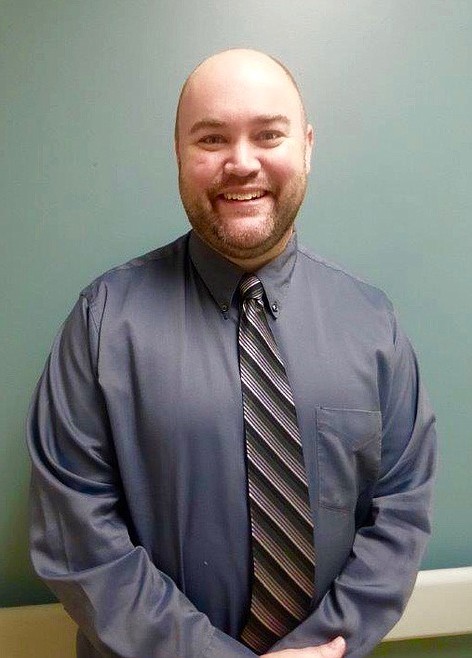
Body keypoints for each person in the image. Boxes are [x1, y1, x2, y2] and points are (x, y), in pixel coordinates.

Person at [27, 49, 437, 658]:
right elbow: (77, 538)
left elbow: (401, 509)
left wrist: (322, 648)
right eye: (212, 138)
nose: (242, 163)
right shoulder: (101, 323)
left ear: (307, 146)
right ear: (179, 153)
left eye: (268, 134)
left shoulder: (374, 326)